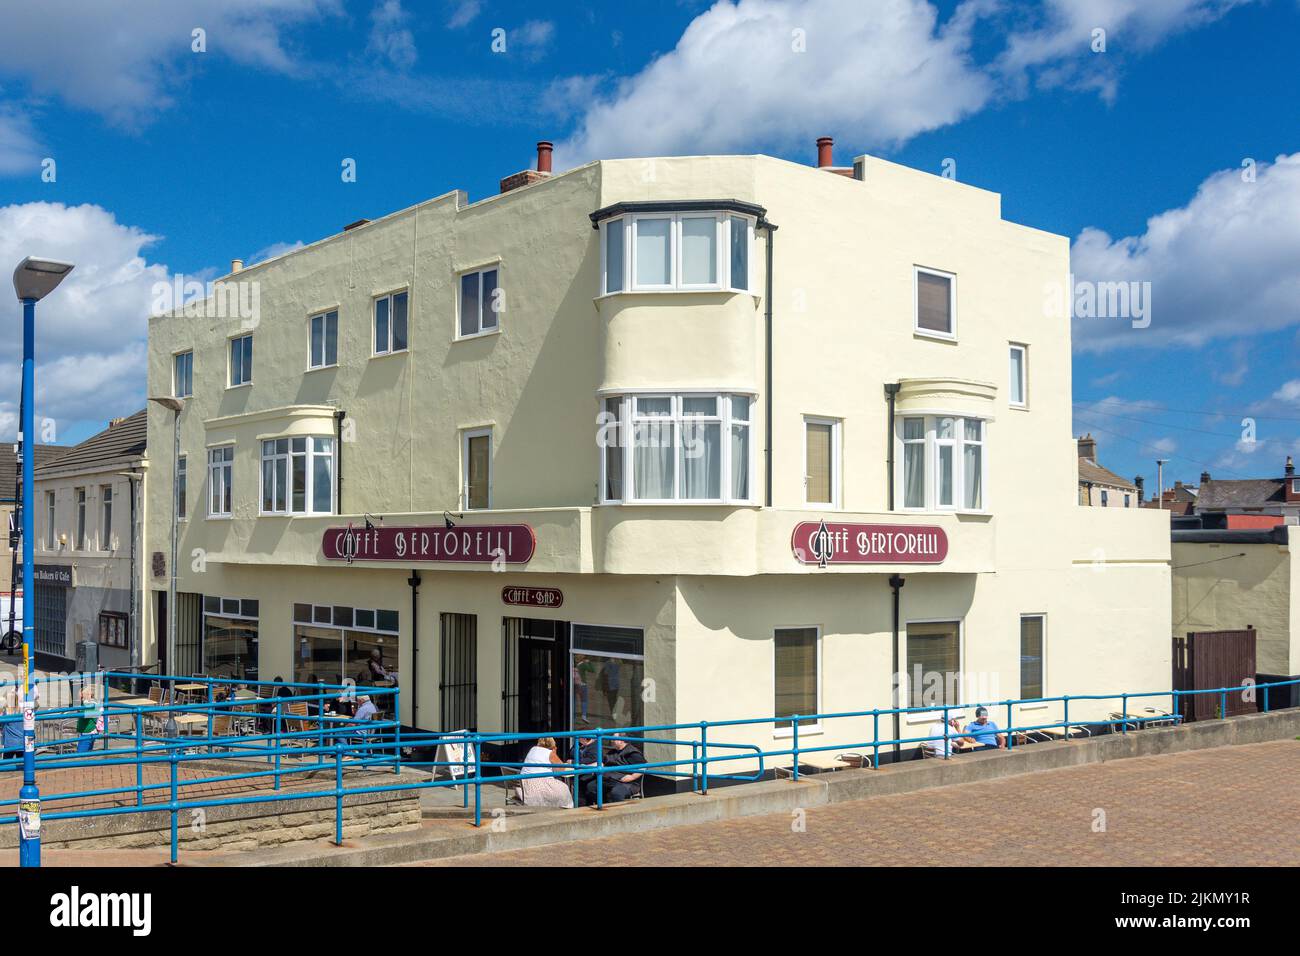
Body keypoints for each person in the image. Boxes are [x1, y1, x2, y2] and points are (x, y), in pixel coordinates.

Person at [583, 732, 645, 805]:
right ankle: (601, 807)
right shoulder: (612, 751)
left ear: (621, 741)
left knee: (616, 793)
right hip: (610, 778)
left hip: (626, 782)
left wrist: (632, 777)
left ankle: (616, 814)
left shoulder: (632, 752)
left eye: (613, 739)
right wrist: (585, 767)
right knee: (591, 787)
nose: (611, 741)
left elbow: (643, 766)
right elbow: (603, 763)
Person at [518, 736, 574, 808]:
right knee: (564, 788)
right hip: (538, 785)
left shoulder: (533, 749)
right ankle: (567, 808)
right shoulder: (549, 753)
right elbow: (561, 769)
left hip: (525, 785)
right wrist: (554, 752)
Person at [75, 685, 102, 753]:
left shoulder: (90, 704)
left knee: (80, 754)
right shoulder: (91, 704)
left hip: (88, 732)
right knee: (88, 752)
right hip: (88, 731)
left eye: (82, 697)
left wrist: (81, 708)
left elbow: (85, 715)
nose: (81, 699)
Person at [1, 695, 22, 760]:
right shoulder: (23, 711)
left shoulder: (6, 712)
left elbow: (2, 724)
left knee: (5, 764)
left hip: (9, 743)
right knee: (22, 765)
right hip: (21, 742)